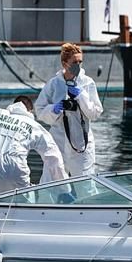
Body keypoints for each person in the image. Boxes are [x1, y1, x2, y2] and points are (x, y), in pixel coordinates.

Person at [0, 95, 67, 197]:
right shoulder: (33, 125)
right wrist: (64, 187)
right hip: (14, 171)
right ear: (30, 111)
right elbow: (53, 156)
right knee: (20, 208)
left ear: (13, 105)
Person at [35, 43, 103, 177]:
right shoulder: (54, 84)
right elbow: (39, 110)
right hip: (58, 140)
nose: (78, 65)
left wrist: (81, 96)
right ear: (65, 63)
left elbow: (95, 112)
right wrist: (54, 109)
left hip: (81, 143)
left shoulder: (87, 83)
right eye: (74, 62)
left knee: (85, 183)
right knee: (52, 182)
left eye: (80, 62)